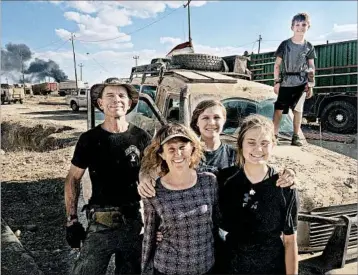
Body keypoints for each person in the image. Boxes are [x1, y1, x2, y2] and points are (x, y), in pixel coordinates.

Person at [64, 80, 152, 274]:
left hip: (133, 224)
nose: (116, 100)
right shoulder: (89, 139)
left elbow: (152, 176)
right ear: (101, 104)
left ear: (129, 103)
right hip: (100, 224)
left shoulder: (142, 137)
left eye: (122, 96)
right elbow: (73, 179)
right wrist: (72, 220)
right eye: (110, 96)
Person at [138, 99, 296, 198]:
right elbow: (152, 162)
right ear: (197, 122)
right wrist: (144, 177)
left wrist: (288, 174)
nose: (211, 123)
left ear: (224, 120)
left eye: (216, 118)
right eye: (205, 118)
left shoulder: (236, 154)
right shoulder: (185, 153)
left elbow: (262, 167)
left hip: (227, 224)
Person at [218, 114, 299, 274]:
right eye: (251, 142)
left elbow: (290, 241)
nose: (258, 149)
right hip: (233, 266)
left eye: (264, 143)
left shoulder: (284, 186)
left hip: (272, 268)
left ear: (273, 146)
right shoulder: (225, 181)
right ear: (241, 145)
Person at [141, 123, 219, 275]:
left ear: (192, 149)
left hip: (205, 266)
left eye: (182, 147)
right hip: (168, 268)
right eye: (171, 149)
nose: (178, 153)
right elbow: (149, 236)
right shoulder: (153, 191)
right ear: (162, 154)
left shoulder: (209, 182)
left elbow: (216, 222)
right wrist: (145, 270)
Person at [273, 12, 316, 146]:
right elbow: (277, 65)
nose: (300, 27)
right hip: (286, 82)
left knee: (298, 110)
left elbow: (311, 67)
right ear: (292, 27)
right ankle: (274, 135)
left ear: (308, 26)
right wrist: (276, 82)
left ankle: (295, 136)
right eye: (297, 24)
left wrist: (311, 84)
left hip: (301, 83)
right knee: (279, 109)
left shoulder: (309, 46)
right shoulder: (285, 45)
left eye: (304, 24)